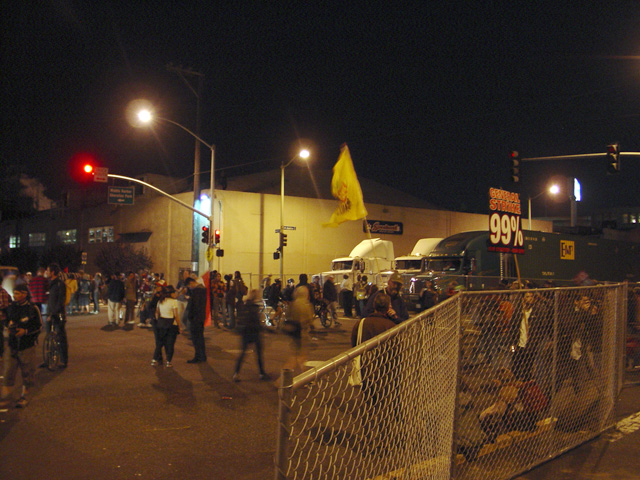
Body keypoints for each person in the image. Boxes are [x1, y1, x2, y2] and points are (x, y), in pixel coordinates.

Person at [0, 284, 42, 408]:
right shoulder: (11, 307)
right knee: (8, 372)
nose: (14, 296)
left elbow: (38, 326)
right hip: (12, 345)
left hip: (27, 346)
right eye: (14, 293)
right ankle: (5, 399)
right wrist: (9, 325)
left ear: (24, 294)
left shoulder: (32, 308)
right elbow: (6, 320)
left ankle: (24, 396)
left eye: (17, 293)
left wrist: (25, 331)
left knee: (27, 373)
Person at [509, 289, 550, 381]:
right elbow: (513, 327)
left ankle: (526, 385)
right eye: (527, 297)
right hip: (519, 344)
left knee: (528, 367)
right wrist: (512, 344)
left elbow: (542, 329)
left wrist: (535, 342)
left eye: (531, 296)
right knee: (515, 366)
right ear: (523, 299)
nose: (530, 299)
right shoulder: (519, 311)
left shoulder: (538, 311)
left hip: (531, 345)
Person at [233, 289, 268, 382]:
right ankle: (262, 373)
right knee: (259, 353)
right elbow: (256, 321)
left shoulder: (244, 305)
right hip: (254, 332)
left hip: (245, 332)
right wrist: (262, 328)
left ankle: (236, 373)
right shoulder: (254, 307)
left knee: (243, 353)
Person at [42, 263, 68, 368]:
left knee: (61, 337)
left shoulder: (60, 284)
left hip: (57, 314)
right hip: (49, 313)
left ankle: (63, 360)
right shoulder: (50, 283)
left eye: (47, 270)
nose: (46, 272)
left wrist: (53, 313)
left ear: (52, 272)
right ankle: (48, 360)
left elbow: (61, 301)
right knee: (48, 337)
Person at [152, 285, 182, 367]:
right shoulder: (173, 302)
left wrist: (160, 321)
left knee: (160, 342)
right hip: (172, 325)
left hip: (161, 324)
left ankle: (154, 359)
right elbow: (176, 315)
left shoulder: (160, 301)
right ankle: (168, 361)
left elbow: (157, 313)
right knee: (170, 344)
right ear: (171, 293)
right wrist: (180, 326)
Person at [185, 277, 207, 363]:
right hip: (200, 317)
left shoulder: (197, 291)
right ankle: (202, 356)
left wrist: (191, 316)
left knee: (196, 338)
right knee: (200, 337)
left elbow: (195, 305)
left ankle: (199, 356)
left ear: (191, 282)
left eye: (189, 286)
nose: (190, 287)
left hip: (196, 318)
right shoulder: (202, 289)